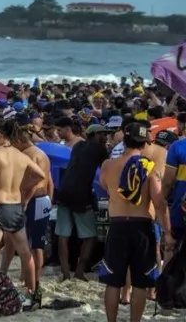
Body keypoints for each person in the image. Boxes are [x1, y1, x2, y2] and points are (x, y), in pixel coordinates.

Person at [98, 123, 174, 322]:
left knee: (113, 281)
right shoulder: (149, 168)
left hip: (117, 225)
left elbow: (105, 186)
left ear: (124, 140)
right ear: (144, 143)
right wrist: (167, 232)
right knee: (140, 281)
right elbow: (159, 203)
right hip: (141, 227)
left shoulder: (108, 165)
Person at [0, 118, 45, 303]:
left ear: (1, 135)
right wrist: (23, 191)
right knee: (25, 253)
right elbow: (40, 175)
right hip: (15, 206)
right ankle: (32, 293)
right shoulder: (21, 155)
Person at [0, 115, 53, 288]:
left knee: (26, 242)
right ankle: (28, 277)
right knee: (33, 242)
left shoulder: (28, 155)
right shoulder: (42, 154)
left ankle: (29, 278)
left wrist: (24, 202)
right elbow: (50, 181)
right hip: (43, 200)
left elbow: (34, 182)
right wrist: (50, 202)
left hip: (32, 201)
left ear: (20, 139)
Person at [55, 123, 111, 280]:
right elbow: (106, 171)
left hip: (64, 191)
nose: (105, 137)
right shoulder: (100, 149)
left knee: (63, 234)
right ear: (94, 135)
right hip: (81, 194)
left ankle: (65, 272)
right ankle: (79, 271)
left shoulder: (78, 145)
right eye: (102, 134)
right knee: (90, 236)